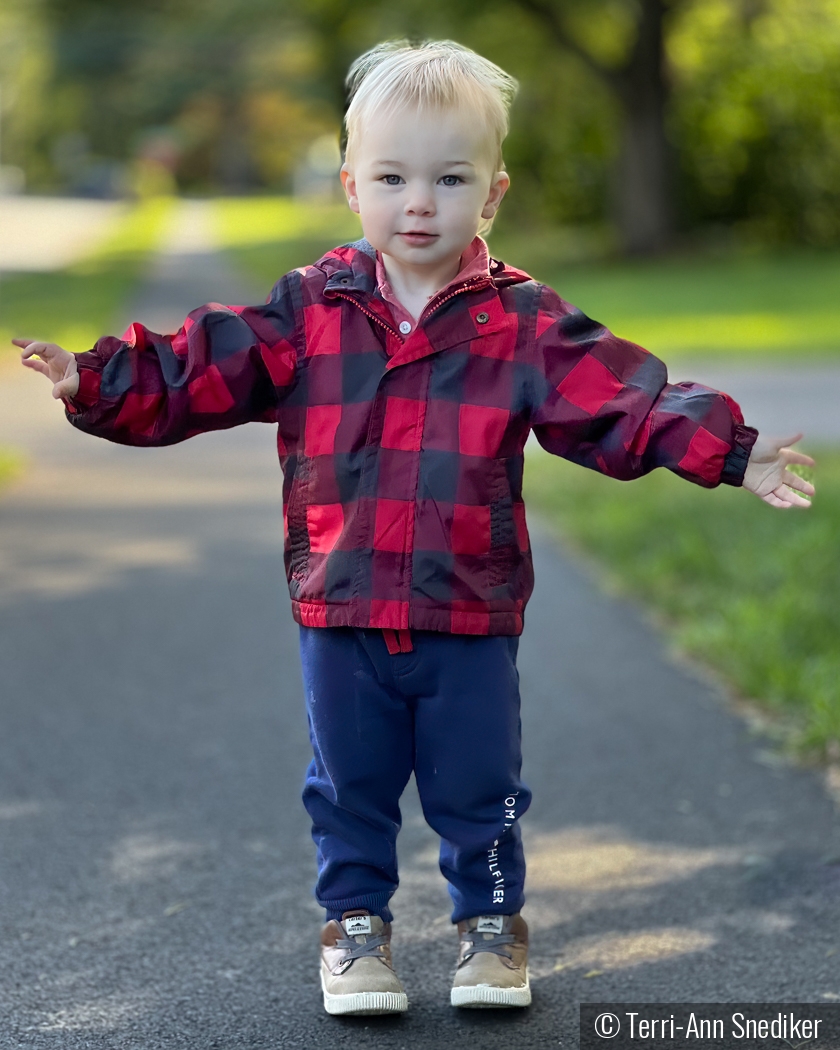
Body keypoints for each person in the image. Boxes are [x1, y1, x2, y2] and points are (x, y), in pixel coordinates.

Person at [15, 40, 815, 1017]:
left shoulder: (519, 322)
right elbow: (203, 367)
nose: (420, 203)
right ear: (353, 187)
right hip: (342, 608)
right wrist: (98, 379)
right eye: (393, 178)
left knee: (480, 783)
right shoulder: (312, 310)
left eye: (450, 178)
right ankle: (357, 932)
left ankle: (490, 923)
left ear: (493, 193)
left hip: (469, 612)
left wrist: (733, 449)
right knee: (348, 787)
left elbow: (624, 401)